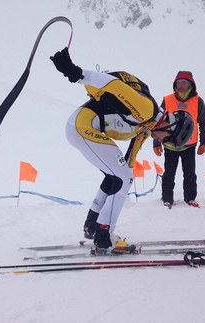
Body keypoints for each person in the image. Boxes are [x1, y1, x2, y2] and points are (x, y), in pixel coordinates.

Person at [50, 47, 194, 254]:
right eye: (168, 139)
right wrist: (76, 72)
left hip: (80, 128)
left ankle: (93, 225)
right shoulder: (146, 110)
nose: (164, 142)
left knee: (117, 176)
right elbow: (115, 86)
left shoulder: (146, 128)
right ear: (170, 126)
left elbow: (129, 161)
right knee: (121, 177)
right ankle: (104, 235)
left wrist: (126, 177)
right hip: (82, 126)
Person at [153, 71, 205, 209]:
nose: (181, 85)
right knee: (169, 173)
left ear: (190, 84)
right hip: (170, 145)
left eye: (184, 82)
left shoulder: (198, 101)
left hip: (189, 146)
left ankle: (190, 198)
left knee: (190, 174)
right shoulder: (167, 100)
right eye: (178, 83)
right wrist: (156, 143)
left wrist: (204, 143)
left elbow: (203, 122)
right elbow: (157, 122)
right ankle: (167, 199)